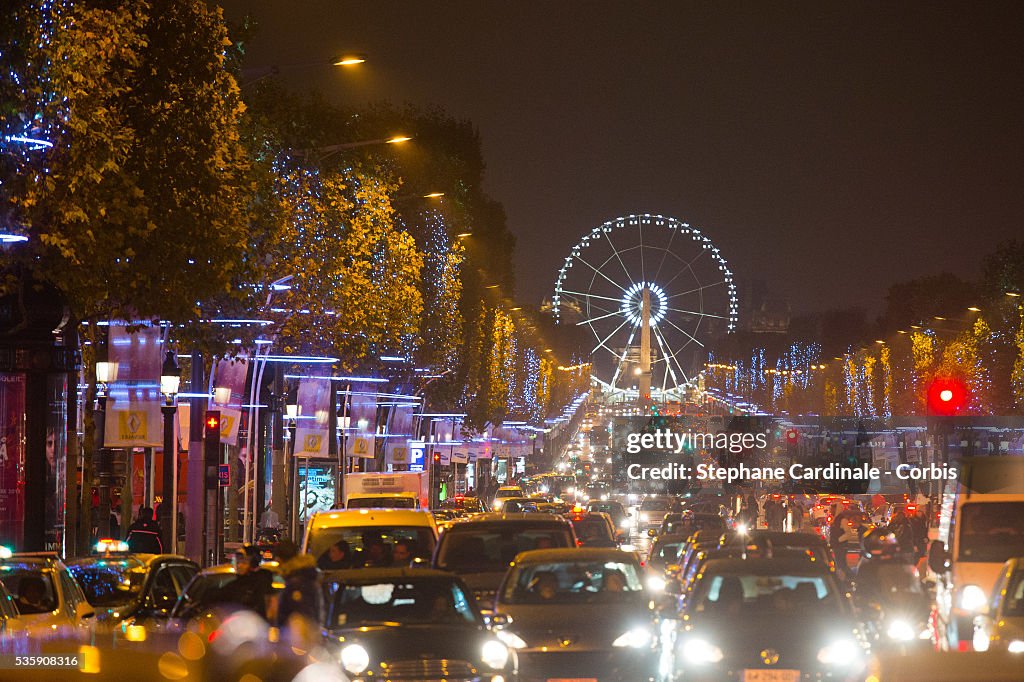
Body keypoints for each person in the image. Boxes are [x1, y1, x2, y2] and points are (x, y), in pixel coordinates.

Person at [271, 540, 322, 645]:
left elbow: (300, 618)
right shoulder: (303, 577)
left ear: (281, 560)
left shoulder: (297, 583)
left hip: (297, 644)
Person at [216, 544, 275, 618]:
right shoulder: (237, 584)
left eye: (243, 562)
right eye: (237, 562)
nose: (239, 566)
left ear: (253, 564)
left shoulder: (261, 584)